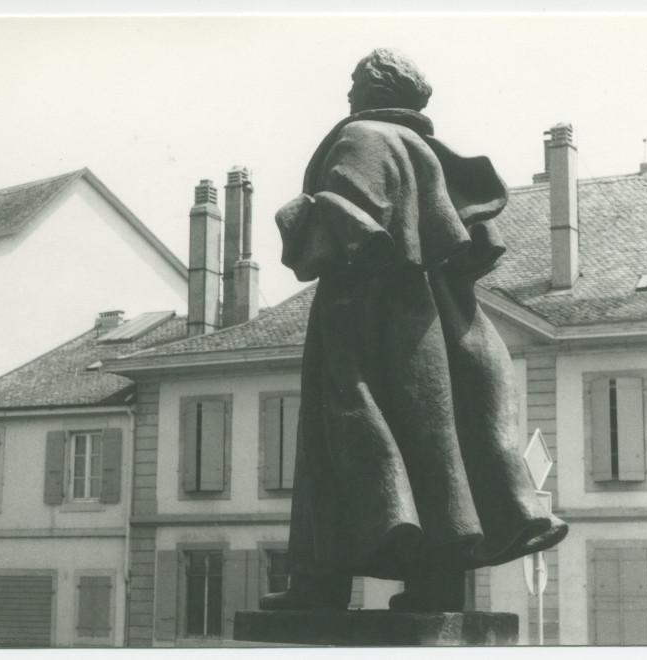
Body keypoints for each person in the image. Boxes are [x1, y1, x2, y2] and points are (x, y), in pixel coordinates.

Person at [262, 48, 568, 613]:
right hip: (428, 321)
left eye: (356, 83)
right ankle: (436, 583)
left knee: (338, 440)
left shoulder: (363, 139)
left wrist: (296, 215)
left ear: (375, 91)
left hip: (361, 315)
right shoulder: (427, 150)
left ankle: (319, 585)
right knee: (433, 445)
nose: (349, 93)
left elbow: (349, 223)